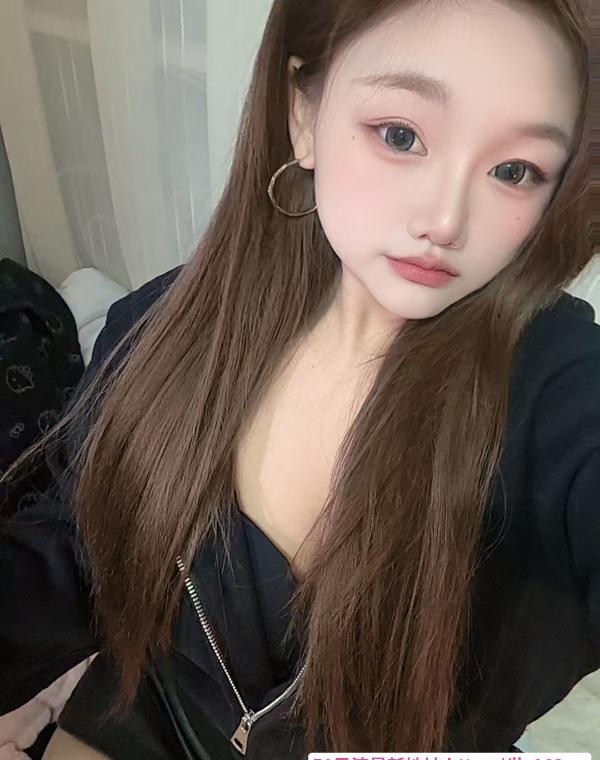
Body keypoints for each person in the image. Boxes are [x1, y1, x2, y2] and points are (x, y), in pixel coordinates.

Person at [1, 0, 598, 757]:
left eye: (515, 171)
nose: (445, 220)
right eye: (401, 135)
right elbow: (78, 546)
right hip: (146, 717)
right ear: (305, 114)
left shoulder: (559, 394)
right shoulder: (166, 326)